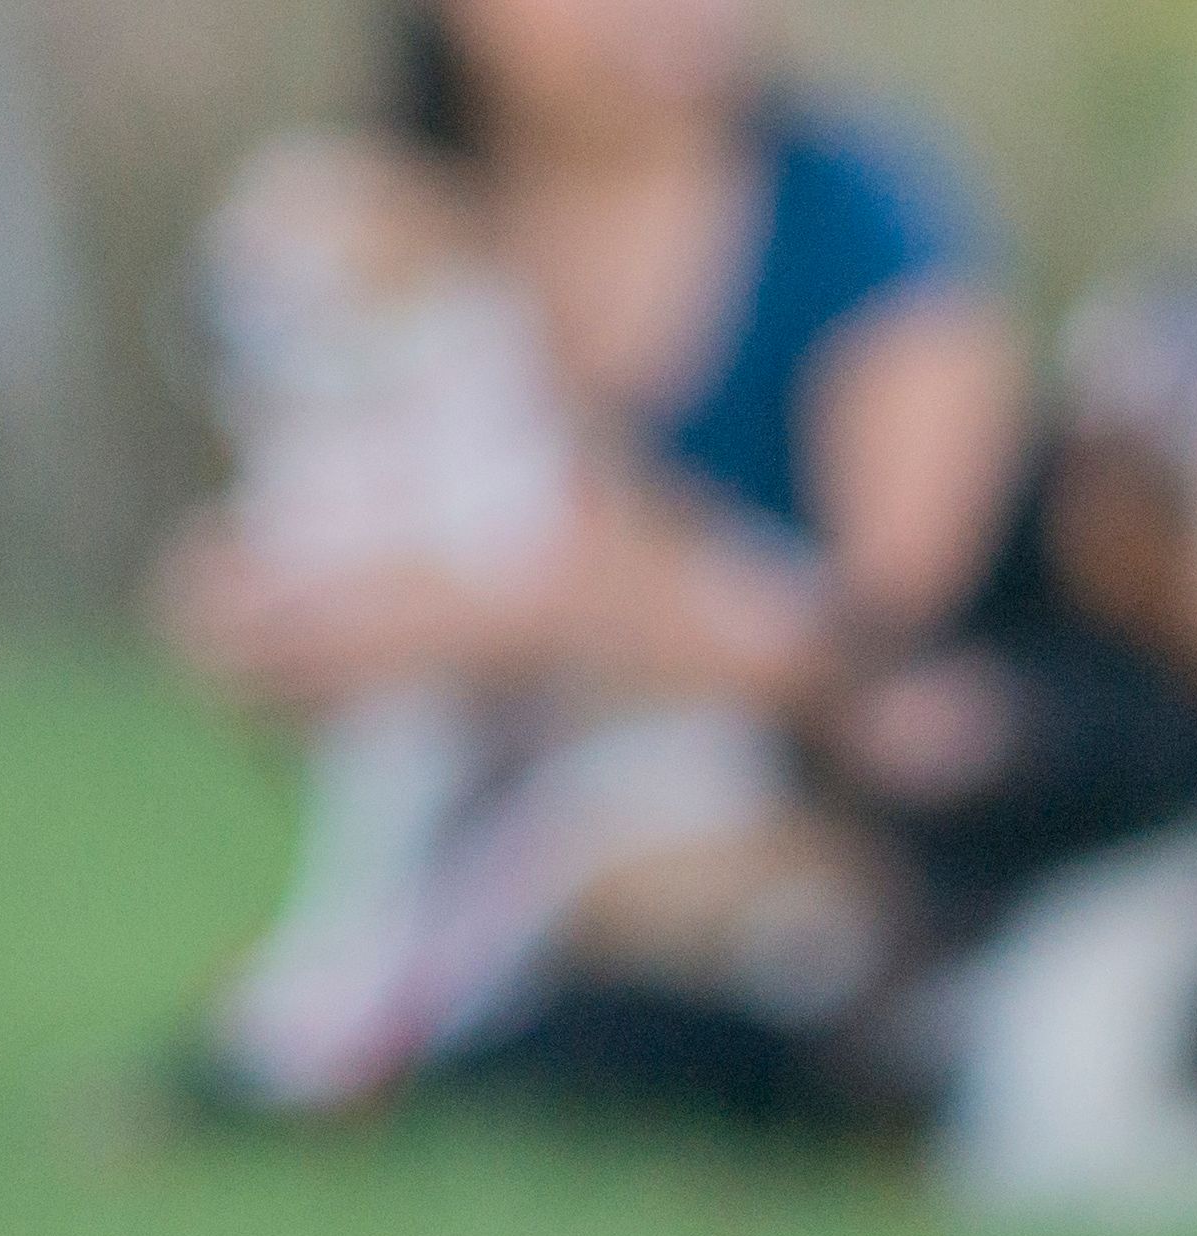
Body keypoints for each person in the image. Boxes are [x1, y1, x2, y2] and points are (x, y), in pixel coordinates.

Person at [158, 0, 1028, 1120]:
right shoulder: (371, 208)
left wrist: (526, 612)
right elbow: (291, 503)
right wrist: (251, 613)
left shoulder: (863, 216)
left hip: (791, 824)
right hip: (475, 803)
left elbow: (891, 633)